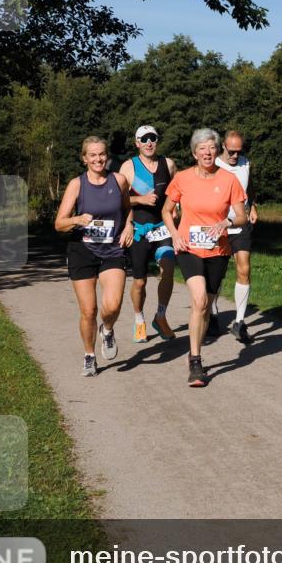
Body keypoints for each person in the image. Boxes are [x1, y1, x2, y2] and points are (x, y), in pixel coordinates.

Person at [162, 128, 247, 387]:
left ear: (217, 150)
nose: (207, 152)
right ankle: (196, 361)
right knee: (198, 301)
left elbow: (241, 216)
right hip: (188, 247)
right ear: (194, 153)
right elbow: (167, 210)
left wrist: (226, 222)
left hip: (218, 250)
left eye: (212, 147)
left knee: (206, 307)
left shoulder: (229, 179)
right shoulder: (183, 179)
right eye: (202, 148)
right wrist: (175, 234)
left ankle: (194, 348)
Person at [55, 136, 132, 377]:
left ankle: (107, 329)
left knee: (113, 305)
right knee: (88, 310)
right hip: (83, 250)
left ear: (106, 156)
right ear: (84, 158)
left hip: (113, 249)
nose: (98, 159)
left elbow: (128, 210)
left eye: (101, 154)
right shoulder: (76, 185)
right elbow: (59, 223)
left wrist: (129, 226)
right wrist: (77, 219)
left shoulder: (119, 180)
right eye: (93, 155)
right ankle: (89, 355)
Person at [119, 125, 177, 343]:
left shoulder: (168, 164)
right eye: (144, 139)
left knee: (168, 268)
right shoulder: (128, 167)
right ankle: (139, 319)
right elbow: (119, 199)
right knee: (140, 282)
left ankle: (160, 317)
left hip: (162, 226)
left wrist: (176, 210)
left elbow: (177, 192)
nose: (149, 143)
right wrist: (139, 200)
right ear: (137, 143)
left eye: (153, 138)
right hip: (139, 230)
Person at [212, 130, 259, 343]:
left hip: (240, 224)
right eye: (231, 151)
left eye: (238, 151)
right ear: (223, 146)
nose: (234, 156)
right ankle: (212, 312)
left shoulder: (245, 163)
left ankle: (240, 322)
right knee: (216, 274)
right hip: (217, 227)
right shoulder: (212, 164)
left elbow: (250, 187)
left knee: (244, 268)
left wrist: (254, 207)